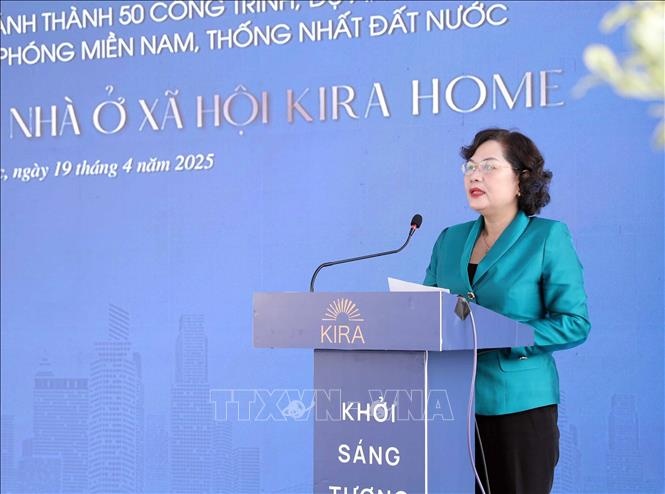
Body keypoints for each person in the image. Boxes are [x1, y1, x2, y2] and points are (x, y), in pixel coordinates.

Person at [423, 128, 591, 494]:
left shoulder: (547, 237)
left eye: (489, 166)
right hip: (453, 408)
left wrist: (506, 334)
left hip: (520, 405)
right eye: (470, 167)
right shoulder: (449, 239)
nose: (475, 175)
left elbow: (574, 323)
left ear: (521, 179)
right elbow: (427, 313)